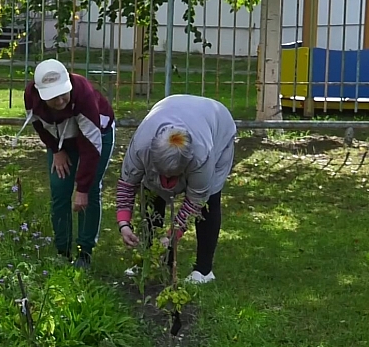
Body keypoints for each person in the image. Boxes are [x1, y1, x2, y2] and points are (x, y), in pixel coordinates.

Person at [115, 94, 236, 284]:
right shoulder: (141, 146)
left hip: (217, 124)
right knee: (151, 193)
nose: (168, 181)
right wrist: (124, 223)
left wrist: (173, 235)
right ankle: (149, 261)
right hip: (172, 108)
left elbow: (196, 200)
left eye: (174, 175)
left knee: (209, 200)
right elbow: (127, 184)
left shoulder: (201, 155)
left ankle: (203, 271)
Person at [17, 58, 116, 269]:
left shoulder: (83, 94)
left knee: (89, 192)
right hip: (61, 141)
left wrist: (82, 188)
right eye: (53, 97)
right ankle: (63, 251)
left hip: (97, 136)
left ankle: (85, 252)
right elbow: (39, 125)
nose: (60, 100)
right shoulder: (30, 96)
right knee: (60, 190)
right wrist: (57, 150)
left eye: (63, 93)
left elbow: (91, 146)